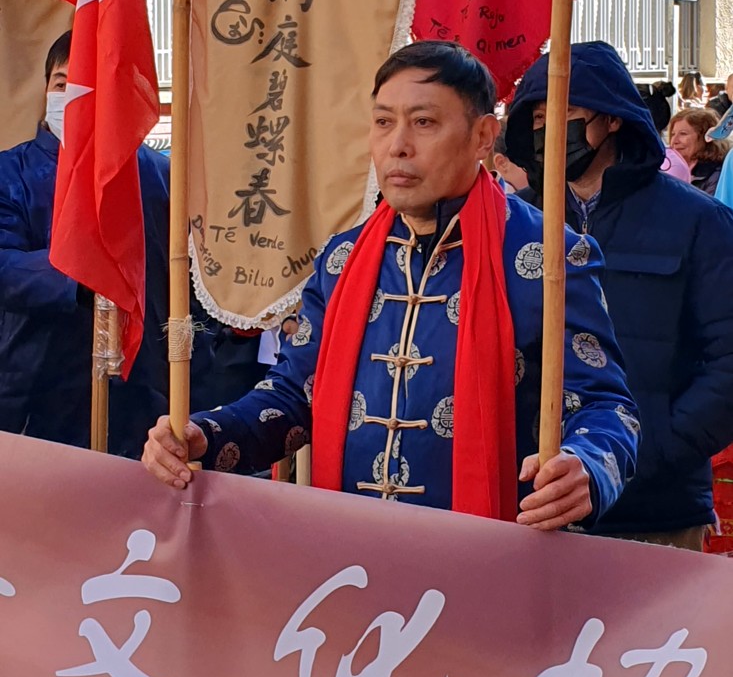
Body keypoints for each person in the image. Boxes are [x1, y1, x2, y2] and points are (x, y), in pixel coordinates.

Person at [144, 42, 639, 534]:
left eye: (423, 122)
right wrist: (205, 434)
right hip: (353, 554)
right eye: (383, 122)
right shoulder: (342, 259)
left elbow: (606, 406)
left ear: (483, 137)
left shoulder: (545, 258)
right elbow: (293, 396)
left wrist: (586, 467)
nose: (398, 145)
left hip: (490, 554)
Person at [506, 39, 733, 551]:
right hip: (531, 503)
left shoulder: (698, 221)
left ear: (611, 118)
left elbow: (727, 362)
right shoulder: (514, 223)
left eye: (565, 114)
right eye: (537, 119)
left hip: (656, 509)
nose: (549, 130)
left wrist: (648, 448)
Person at [0, 30, 216, 457]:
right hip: (35, 389)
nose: (74, 96)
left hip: (145, 395)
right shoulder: (11, 171)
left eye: (89, 84)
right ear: (46, 89)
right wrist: (80, 274)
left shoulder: (162, 175)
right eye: (63, 83)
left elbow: (193, 279)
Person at [669, 107, 728, 196]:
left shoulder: (717, 173)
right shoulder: (666, 167)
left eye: (683, 134)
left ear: (705, 137)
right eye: (673, 134)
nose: (674, 141)